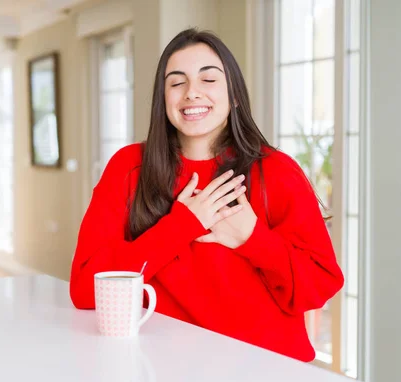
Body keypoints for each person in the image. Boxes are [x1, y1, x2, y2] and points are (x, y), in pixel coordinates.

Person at [69, 28, 344, 362]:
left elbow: (319, 286)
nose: (191, 93)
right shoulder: (128, 168)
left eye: (209, 80)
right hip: (161, 371)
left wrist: (252, 239)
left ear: (235, 95)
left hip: (266, 374)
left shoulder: (276, 171)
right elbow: (85, 290)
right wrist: (181, 225)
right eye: (176, 82)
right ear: (163, 98)